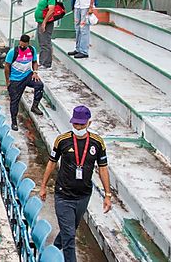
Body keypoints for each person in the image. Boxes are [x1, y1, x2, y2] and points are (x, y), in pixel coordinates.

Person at [39, 105, 112, 262]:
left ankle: (51, 250)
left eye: (81, 124)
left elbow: (103, 169)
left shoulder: (97, 143)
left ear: (89, 123)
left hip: (83, 195)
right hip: (63, 195)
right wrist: (43, 186)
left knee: (70, 229)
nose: (78, 127)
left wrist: (107, 194)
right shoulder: (62, 140)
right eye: (75, 124)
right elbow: (51, 163)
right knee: (70, 237)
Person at [4, 34, 43, 131]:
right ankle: (14, 121)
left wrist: (35, 72)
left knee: (39, 85)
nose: (22, 45)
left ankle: (35, 106)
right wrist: (8, 81)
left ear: (28, 43)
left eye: (25, 44)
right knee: (14, 101)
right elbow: (7, 66)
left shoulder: (32, 50)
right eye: (21, 43)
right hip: (15, 79)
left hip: (27, 75)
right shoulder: (13, 52)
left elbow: (34, 62)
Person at [35, 0, 57, 69]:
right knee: (41, 42)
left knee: (45, 42)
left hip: (46, 23)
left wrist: (44, 22)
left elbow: (51, 9)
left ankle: (46, 63)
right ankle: (42, 61)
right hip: (40, 22)